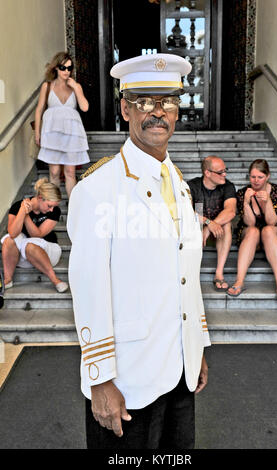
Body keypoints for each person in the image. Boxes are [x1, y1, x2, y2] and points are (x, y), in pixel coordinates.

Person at [67, 53, 210, 449]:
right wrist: (99, 379)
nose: (157, 112)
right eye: (145, 101)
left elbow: (186, 275)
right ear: (126, 108)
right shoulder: (98, 189)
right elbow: (89, 287)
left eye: (167, 102)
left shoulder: (179, 183)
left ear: (178, 111)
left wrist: (196, 347)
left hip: (178, 372)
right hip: (127, 382)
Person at [227, 159, 277, 299]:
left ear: (267, 176)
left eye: (260, 177)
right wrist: (246, 203)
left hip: (274, 232)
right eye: (252, 177)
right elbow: (249, 223)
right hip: (250, 232)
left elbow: (272, 222)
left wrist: (267, 202)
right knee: (254, 231)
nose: (256, 181)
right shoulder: (243, 192)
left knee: (267, 230)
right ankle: (239, 281)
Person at [35, 51, 89, 198]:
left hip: (72, 133)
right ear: (56, 68)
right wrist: (37, 133)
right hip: (52, 133)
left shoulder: (75, 86)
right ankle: (54, 207)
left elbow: (85, 107)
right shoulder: (47, 86)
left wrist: (77, 88)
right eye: (63, 68)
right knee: (54, 172)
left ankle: (73, 208)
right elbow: (39, 110)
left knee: (70, 172)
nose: (66, 71)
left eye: (69, 68)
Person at [1, 178, 68, 293]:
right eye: (49, 205)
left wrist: (26, 216)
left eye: (53, 206)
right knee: (9, 240)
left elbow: (37, 234)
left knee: (30, 245)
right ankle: (7, 280)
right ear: (40, 198)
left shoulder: (55, 211)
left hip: (49, 252)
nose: (52, 210)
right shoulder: (18, 206)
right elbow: (12, 233)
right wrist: (22, 211)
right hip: (25, 256)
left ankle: (55, 280)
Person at [188, 156, 237, 291]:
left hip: (218, 232)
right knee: (194, 225)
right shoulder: (192, 186)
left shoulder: (228, 186)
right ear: (207, 173)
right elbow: (188, 213)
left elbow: (231, 211)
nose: (224, 174)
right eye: (220, 172)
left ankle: (219, 273)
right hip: (198, 229)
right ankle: (191, 273)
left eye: (225, 170)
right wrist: (207, 222)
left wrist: (210, 226)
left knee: (226, 224)